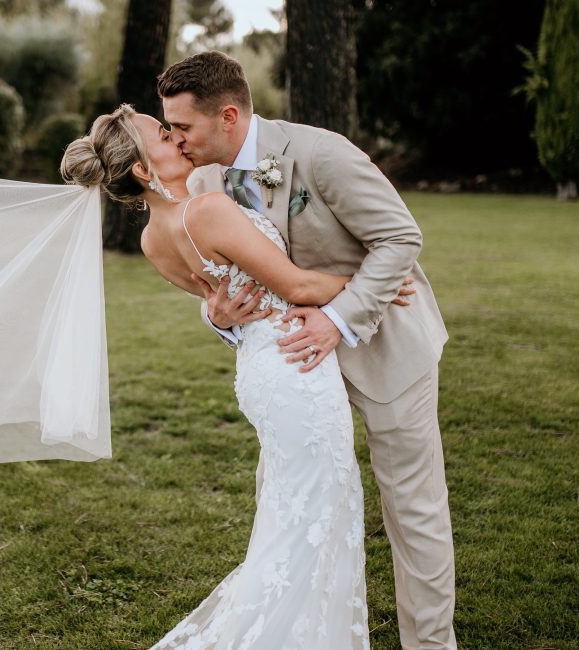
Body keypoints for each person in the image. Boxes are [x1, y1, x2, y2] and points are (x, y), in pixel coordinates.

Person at [61, 104, 413, 648]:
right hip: (297, 364)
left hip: (261, 368)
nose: (176, 136)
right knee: (313, 522)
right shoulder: (205, 211)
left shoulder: (153, 240)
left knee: (298, 520)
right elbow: (294, 287)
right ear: (140, 169)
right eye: (162, 133)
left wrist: (218, 316)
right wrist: (374, 282)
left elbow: (222, 302)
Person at [159, 51, 457, 649]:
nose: (175, 140)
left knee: (412, 511)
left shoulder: (320, 153)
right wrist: (217, 317)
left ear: (228, 115)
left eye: (183, 127)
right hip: (295, 372)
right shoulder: (203, 184)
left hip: (386, 346)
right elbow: (228, 281)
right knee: (293, 508)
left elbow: (401, 237)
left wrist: (338, 319)